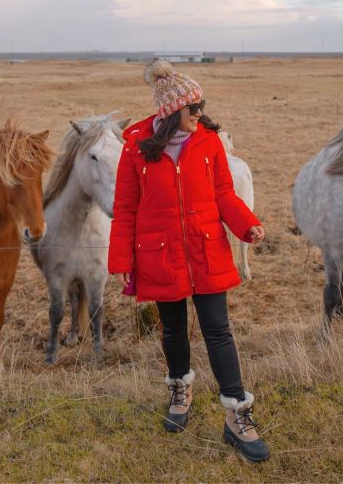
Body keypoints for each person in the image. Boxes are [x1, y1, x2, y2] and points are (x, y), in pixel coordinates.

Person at [108, 59, 269, 463]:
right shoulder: (137, 148)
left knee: (219, 330)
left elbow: (224, 195)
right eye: (191, 108)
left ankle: (237, 414)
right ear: (169, 112)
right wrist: (122, 257)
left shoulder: (209, 141)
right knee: (174, 330)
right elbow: (125, 207)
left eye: (201, 105)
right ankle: (180, 390)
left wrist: (247, 226)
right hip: (159, 254)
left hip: (206, 249)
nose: (199, 114)